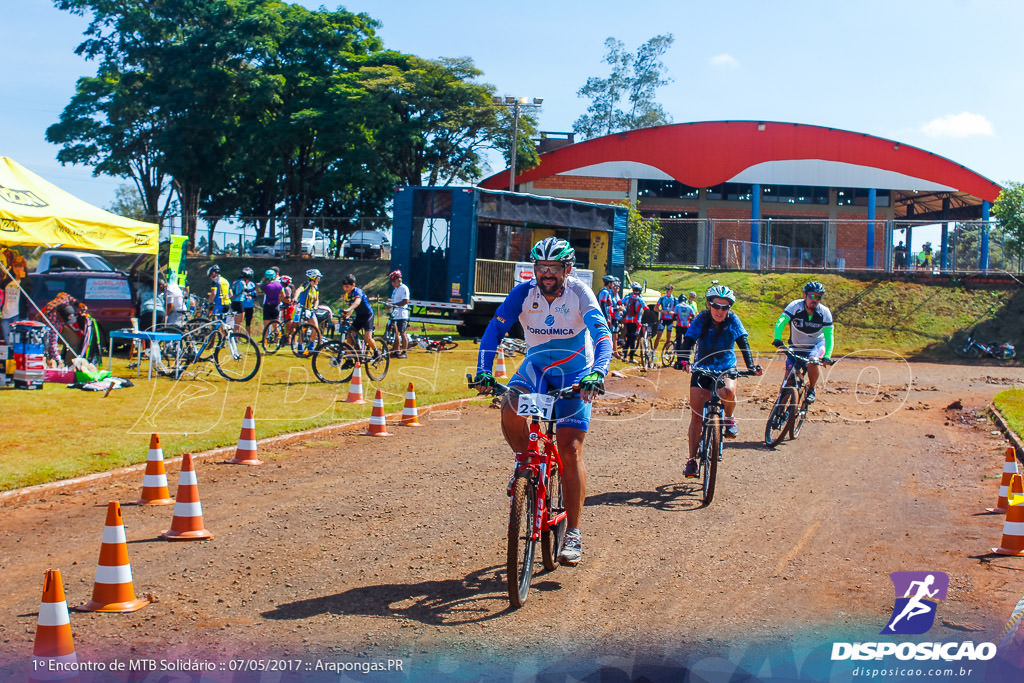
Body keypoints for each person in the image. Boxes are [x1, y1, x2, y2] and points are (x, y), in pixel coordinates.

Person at [473, 237, 610, 567]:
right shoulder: (524, 293)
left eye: (553, 268)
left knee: (569, 448)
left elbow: (603, 335)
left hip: (574, 373)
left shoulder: (579, 292)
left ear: (567, 269)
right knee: (509, 405)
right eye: (541, 267)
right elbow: (494, 331)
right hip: (535, 369)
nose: (546, 274)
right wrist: (482, 371)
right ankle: (524, 461)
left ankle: (573, 532)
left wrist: (597, 374)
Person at [676, 285, 762, 477]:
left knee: (729, 392)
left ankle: (729, 418)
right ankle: (691, 460)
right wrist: (682, 360)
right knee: (697, 417)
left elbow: (743, 342)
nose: (720, 311)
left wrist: (751, 365)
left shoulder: (733, 319)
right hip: (702, 367)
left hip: (726, 367)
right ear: (709, 304)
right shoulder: (702, 318)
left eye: (725, 307)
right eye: (716, 306)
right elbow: (688, 340)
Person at [771, 280, 834, 404]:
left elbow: (829, 337)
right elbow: (781, 321)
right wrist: (777, 338)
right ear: (805, 295)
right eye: (811, 296)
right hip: (796, 346)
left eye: (818, 297)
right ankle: (779, 408)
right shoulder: (795, 306)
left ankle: (811, 389)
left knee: (813, 361)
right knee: (788, 380)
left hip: (816, 346)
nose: (814, 300)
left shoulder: (825, 313)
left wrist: (827, 356)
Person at [338, 273, 379, 356]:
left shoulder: (358, 291)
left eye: (347, 287)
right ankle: (349, 359)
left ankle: (376, 351)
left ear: (353, 285)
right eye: (344, 286)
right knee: (349, 336)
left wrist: (348, 309)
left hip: (368, 315)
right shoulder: (347, 295)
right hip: (359, 316)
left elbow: (357, 302)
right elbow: (351, 307)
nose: (345, 289)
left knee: (367, 338)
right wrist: (346, 316)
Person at [386, 270, 410, 358]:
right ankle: (396, 351)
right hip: (395, 314)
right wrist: (390, 305)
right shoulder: (395, 290)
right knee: (396, 333)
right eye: (391, 281)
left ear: (399, 280)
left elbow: (405, 301)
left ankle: (404, 352)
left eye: (394, 281)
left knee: (402, 332)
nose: (392, 283)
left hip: (402, 314)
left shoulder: (404, 288)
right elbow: (394, 301)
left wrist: (393, 304)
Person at [621, 282, 648, 363]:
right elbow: (646, 309)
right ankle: (631, 357)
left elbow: (619, 302)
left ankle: (625, 356)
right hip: (636, 322)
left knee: (628, 338)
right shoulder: (640, 299)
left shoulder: (628, 297)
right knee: (633, 339)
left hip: (627, 320)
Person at [230, 267, 257, 334]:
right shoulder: (242, 282)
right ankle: (236, 336)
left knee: (236, 321)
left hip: (234, 302)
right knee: (239, 321)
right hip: (239, 302)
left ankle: (235, 336)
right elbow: (247, 290)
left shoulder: (235, 282)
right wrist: (256, 287)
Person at [596, 275, 618, 354]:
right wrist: (606, 317)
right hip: (605, 317)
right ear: (609, 283)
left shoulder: (606, 292)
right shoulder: (605, 292)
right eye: (612, 283)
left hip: (608, 316)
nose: (613, 285)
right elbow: (602, 304)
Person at [653, 284, 678, 353]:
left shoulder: (675, 299)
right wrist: (661, 311)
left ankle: (666, 352)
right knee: (659, 335)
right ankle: (653, 351)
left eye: (669, 289)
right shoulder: (662, 298)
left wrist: (673, 313)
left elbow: (677, 310)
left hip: (670, 319)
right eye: (666, 289)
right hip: (663, 319)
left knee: (668, 337)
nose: (667, 291)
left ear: (672, 290)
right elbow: (655, 308)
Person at [258, 269, 283, 334]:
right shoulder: (279, 285)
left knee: (266, 326)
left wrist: (261, 282)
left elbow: (258, 290)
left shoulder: (265, 286)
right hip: (276, 305)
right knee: (276, 326)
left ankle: (264, 342)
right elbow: (283, 295)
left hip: (267, 306)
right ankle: (278, 342)